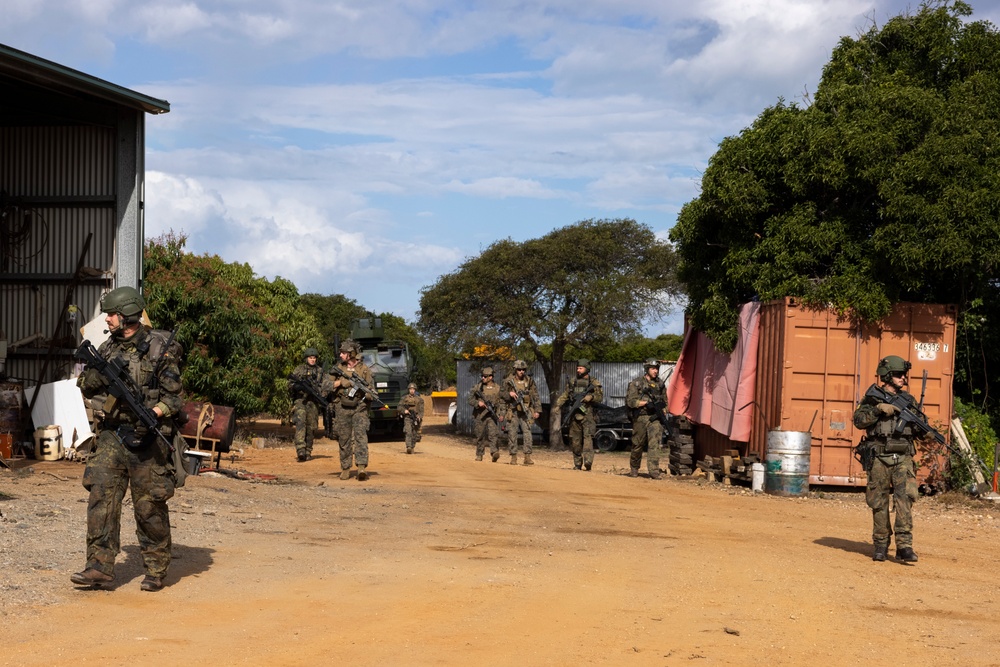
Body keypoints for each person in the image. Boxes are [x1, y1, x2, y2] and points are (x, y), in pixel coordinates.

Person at [71, 286, 184, 592]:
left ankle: (155, 569)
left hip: (147, 435)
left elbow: (174, 399)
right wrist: (99, 376)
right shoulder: (107, 348)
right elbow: (86, 385)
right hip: (111, 434)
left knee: (149, 505)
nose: (107, 319)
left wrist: (154, 414)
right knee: (102, 498)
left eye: (111, 314)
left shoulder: (159, 348)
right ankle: (98, 567)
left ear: (128, 315)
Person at [853, 355, 920, 563]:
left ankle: (904, 546)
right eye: (899, 375)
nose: (903, 378)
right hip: (879, 455)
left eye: (904, 375)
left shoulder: (909, 401)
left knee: (905, 498)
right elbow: (858, 421)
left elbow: (919, 427)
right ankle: (881, 545)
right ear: (888, 375)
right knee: (878, 500)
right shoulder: (872, 398)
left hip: (903, 456)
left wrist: (924, 429)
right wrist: (877, 410)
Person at [326, 340, 375, 481]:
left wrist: (369, 394)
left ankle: (361, 467)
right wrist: (340, 383)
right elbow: (325, 385)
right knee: (344, 439)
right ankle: (345, 468)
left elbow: (371, 389)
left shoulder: (364, 369)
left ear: (351, 354)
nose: (340, 355)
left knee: (361, 437)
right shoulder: (337, 368)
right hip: (342, 407)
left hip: (359, 407)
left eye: (343, 353)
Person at [555, 359, 603, 471]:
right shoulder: (573, 381)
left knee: (588, 440)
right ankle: (577, 464)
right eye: (577, 368)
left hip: (588, 415)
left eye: (580, 368)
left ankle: (588, 462)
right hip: (575, 415)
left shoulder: (594, 382)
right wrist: (558, 405)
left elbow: (600, 397)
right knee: (575, 441)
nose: (578, 370)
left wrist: (591, 397)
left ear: (587, 369)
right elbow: (565, 394)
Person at [626, 359, 667, 479]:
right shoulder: (636, 383)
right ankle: (634, 468)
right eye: (653, 368)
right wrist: (645, 403)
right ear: (647, 369)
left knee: (654, 444)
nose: (655, 371)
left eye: (657, 369)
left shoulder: (660, 384)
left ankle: (654, 471)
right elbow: (630, 402)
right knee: (637, 444)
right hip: (641, 417)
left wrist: (664, 410)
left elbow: (665, 400)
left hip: (655, 418)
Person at [502, 360, 541, 465]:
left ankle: (527, 457)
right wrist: (509, 394)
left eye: (523, 369)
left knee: (527, 433)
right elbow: (501, 395)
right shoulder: (508, 381)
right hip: (513, 410)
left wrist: (537, 410)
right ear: (515, 370)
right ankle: (513, 457)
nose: (521, 371)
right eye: (519, 369)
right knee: (512, 433)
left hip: (526, 410)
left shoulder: (529, 381)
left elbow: (535, 395)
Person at [289, 347, 323, 462]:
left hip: (313, 402)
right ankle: (300, 450)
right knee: (300, 424)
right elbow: (290, 384)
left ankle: (308, 451)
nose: (312, 360)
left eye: (314, 358)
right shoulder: (299, 369)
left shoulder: (320, 371)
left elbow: (325, 385)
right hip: (301, 401)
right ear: (306, 358)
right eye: (310, 358)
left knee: (311, 427)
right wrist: (297, 387)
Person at [468, 366, 503, 462]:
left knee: (493, 435)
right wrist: (477, 403)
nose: (482, 378)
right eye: (482, 376)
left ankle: (494, 452)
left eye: (485, 376)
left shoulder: (498, 388)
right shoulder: (478, 387)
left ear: (490, 377)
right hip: (480, 415)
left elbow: (501, 403)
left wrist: (501, 414)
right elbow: (470, 399)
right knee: (480, 435)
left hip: (492, 415)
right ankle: (479, 454)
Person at [397, 382, 424, 454]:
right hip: (408, 417)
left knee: (414, 433)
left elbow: (421, 410)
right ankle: (408, 446)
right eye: (410, 389)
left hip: (416, 418)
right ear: (408, 390)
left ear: (415, 390)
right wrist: (404, 411)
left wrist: (419, 416)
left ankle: (412, 447)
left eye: (413, 389)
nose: (412, 390)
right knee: (408, 431)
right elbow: (399, 407)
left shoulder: (420, 399)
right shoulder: (404, 398)